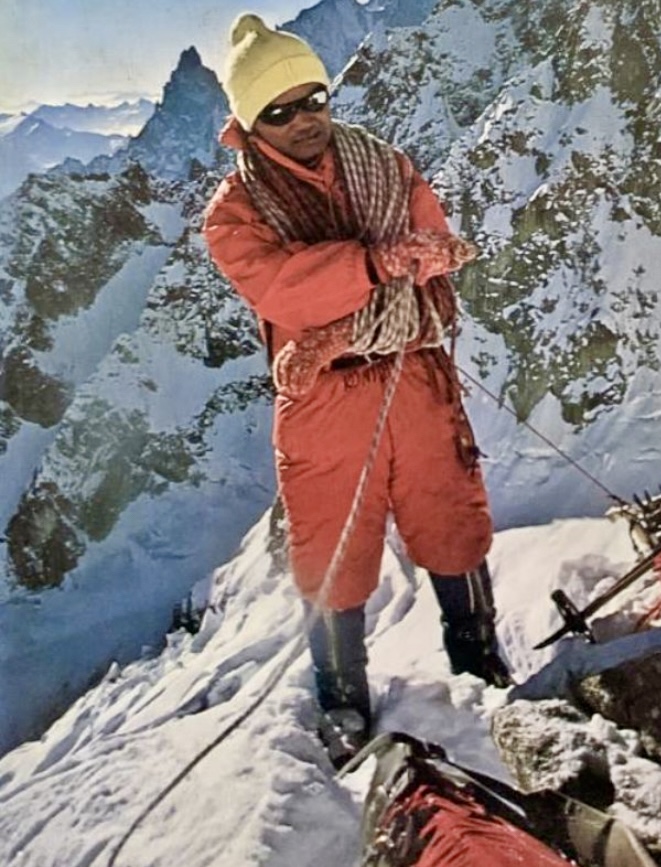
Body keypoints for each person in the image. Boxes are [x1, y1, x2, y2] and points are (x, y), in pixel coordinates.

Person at [203, 13, 510, 768]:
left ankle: (477, 659)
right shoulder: (234, 212)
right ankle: (342, 694)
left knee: (452, 510)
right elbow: (283, 289)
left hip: (413, 369)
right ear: (249, 121)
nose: (305, 119)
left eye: (314, 98)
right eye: (279, 110)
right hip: (327, 400)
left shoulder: (384, 163)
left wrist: (430, 259)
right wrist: (379, 264)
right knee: (328, 543)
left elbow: (426, 242)